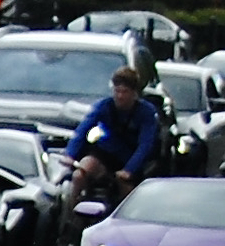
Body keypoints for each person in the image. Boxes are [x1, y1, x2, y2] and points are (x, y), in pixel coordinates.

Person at [64, 66, 160, 212]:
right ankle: (70, 215)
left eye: (125, 92)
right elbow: (82, 129)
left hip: (130, 158)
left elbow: (145, 145)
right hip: (105, 153)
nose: (120, 96)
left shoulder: (146, 112)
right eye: (117, 91)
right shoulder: (104, 106)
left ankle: (126, 216)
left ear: (134, 94)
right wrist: (70, 154)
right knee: (79, 174)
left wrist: (129, 170)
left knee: (126, 189)